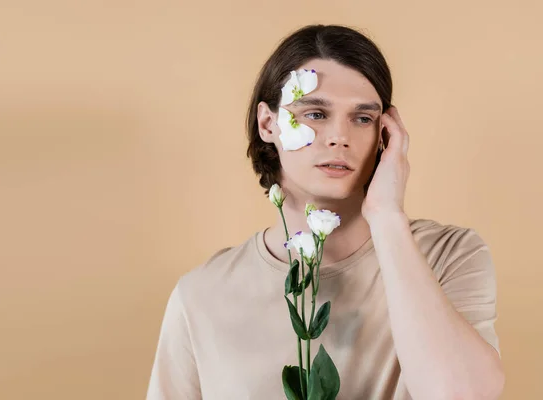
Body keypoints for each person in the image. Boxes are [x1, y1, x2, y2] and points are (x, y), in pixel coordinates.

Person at [147, 24, 505, 399]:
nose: (340, 136)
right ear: (268, 123)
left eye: (362, 118)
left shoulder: (450, 255)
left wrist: (386, 216)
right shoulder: (202, 295)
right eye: (316, 114)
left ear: (387, 133)